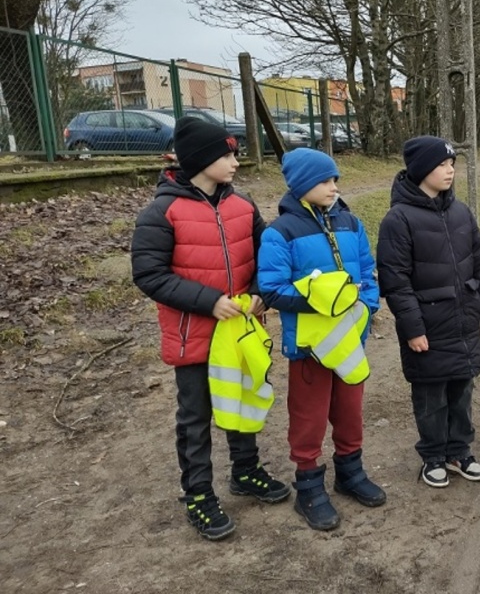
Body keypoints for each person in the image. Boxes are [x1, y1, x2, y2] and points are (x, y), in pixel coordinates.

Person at [131, 117, 290, 541]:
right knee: (196, 417)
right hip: (194, 337)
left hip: (240, 332)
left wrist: (260, 292)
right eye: (227, 155)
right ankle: (198, 493)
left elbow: (267, 257)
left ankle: (246, 470)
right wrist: (208, 302)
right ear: (201, 160)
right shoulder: (162, 212)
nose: (235, 162)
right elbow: (148, 274)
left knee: (242, 401)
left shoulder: (244, 206)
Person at [257, 148, 385, 531]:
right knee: (308, 417)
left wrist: (367, 307)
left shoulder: (351, 222)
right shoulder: (280, 233)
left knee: (350, 410)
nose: (334, 187)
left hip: (349, 342)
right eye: (325, 180)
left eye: (335, 180)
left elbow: (367, 271)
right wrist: (325, 304)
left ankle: (350, 471)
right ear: (300, 185)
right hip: (310, 346)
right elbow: (273, 288)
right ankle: (308, 485)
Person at [376, 135, 480, 488]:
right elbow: (395, 281)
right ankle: (433, 456)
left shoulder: (461, 211)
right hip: (428, 327)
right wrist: (413, 328)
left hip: (463, 321)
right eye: (442, 165)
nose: (450, 171)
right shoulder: (398, 220)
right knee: (431, 396)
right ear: (420, 170)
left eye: (452, 165)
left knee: (462, 390)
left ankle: (460, 452)